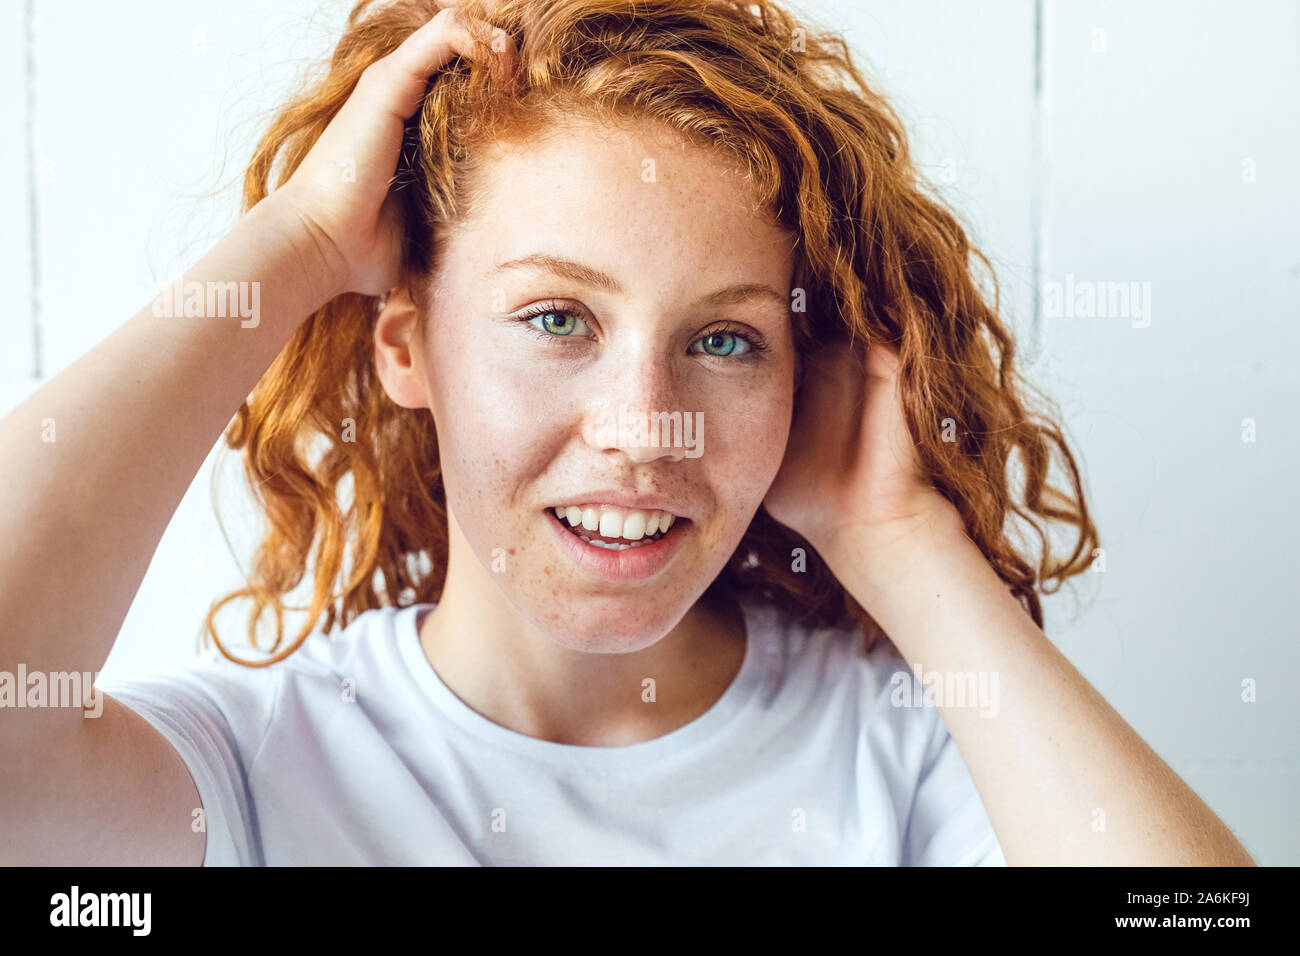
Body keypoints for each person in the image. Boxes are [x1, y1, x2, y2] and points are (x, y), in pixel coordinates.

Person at [0, 0, 1255, 866]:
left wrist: (899, 537)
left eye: (723, 339)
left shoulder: (910, 745)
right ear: (402, 342)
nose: (644, 428)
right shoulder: (265, 764)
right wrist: (299, 247)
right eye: (555, 316)